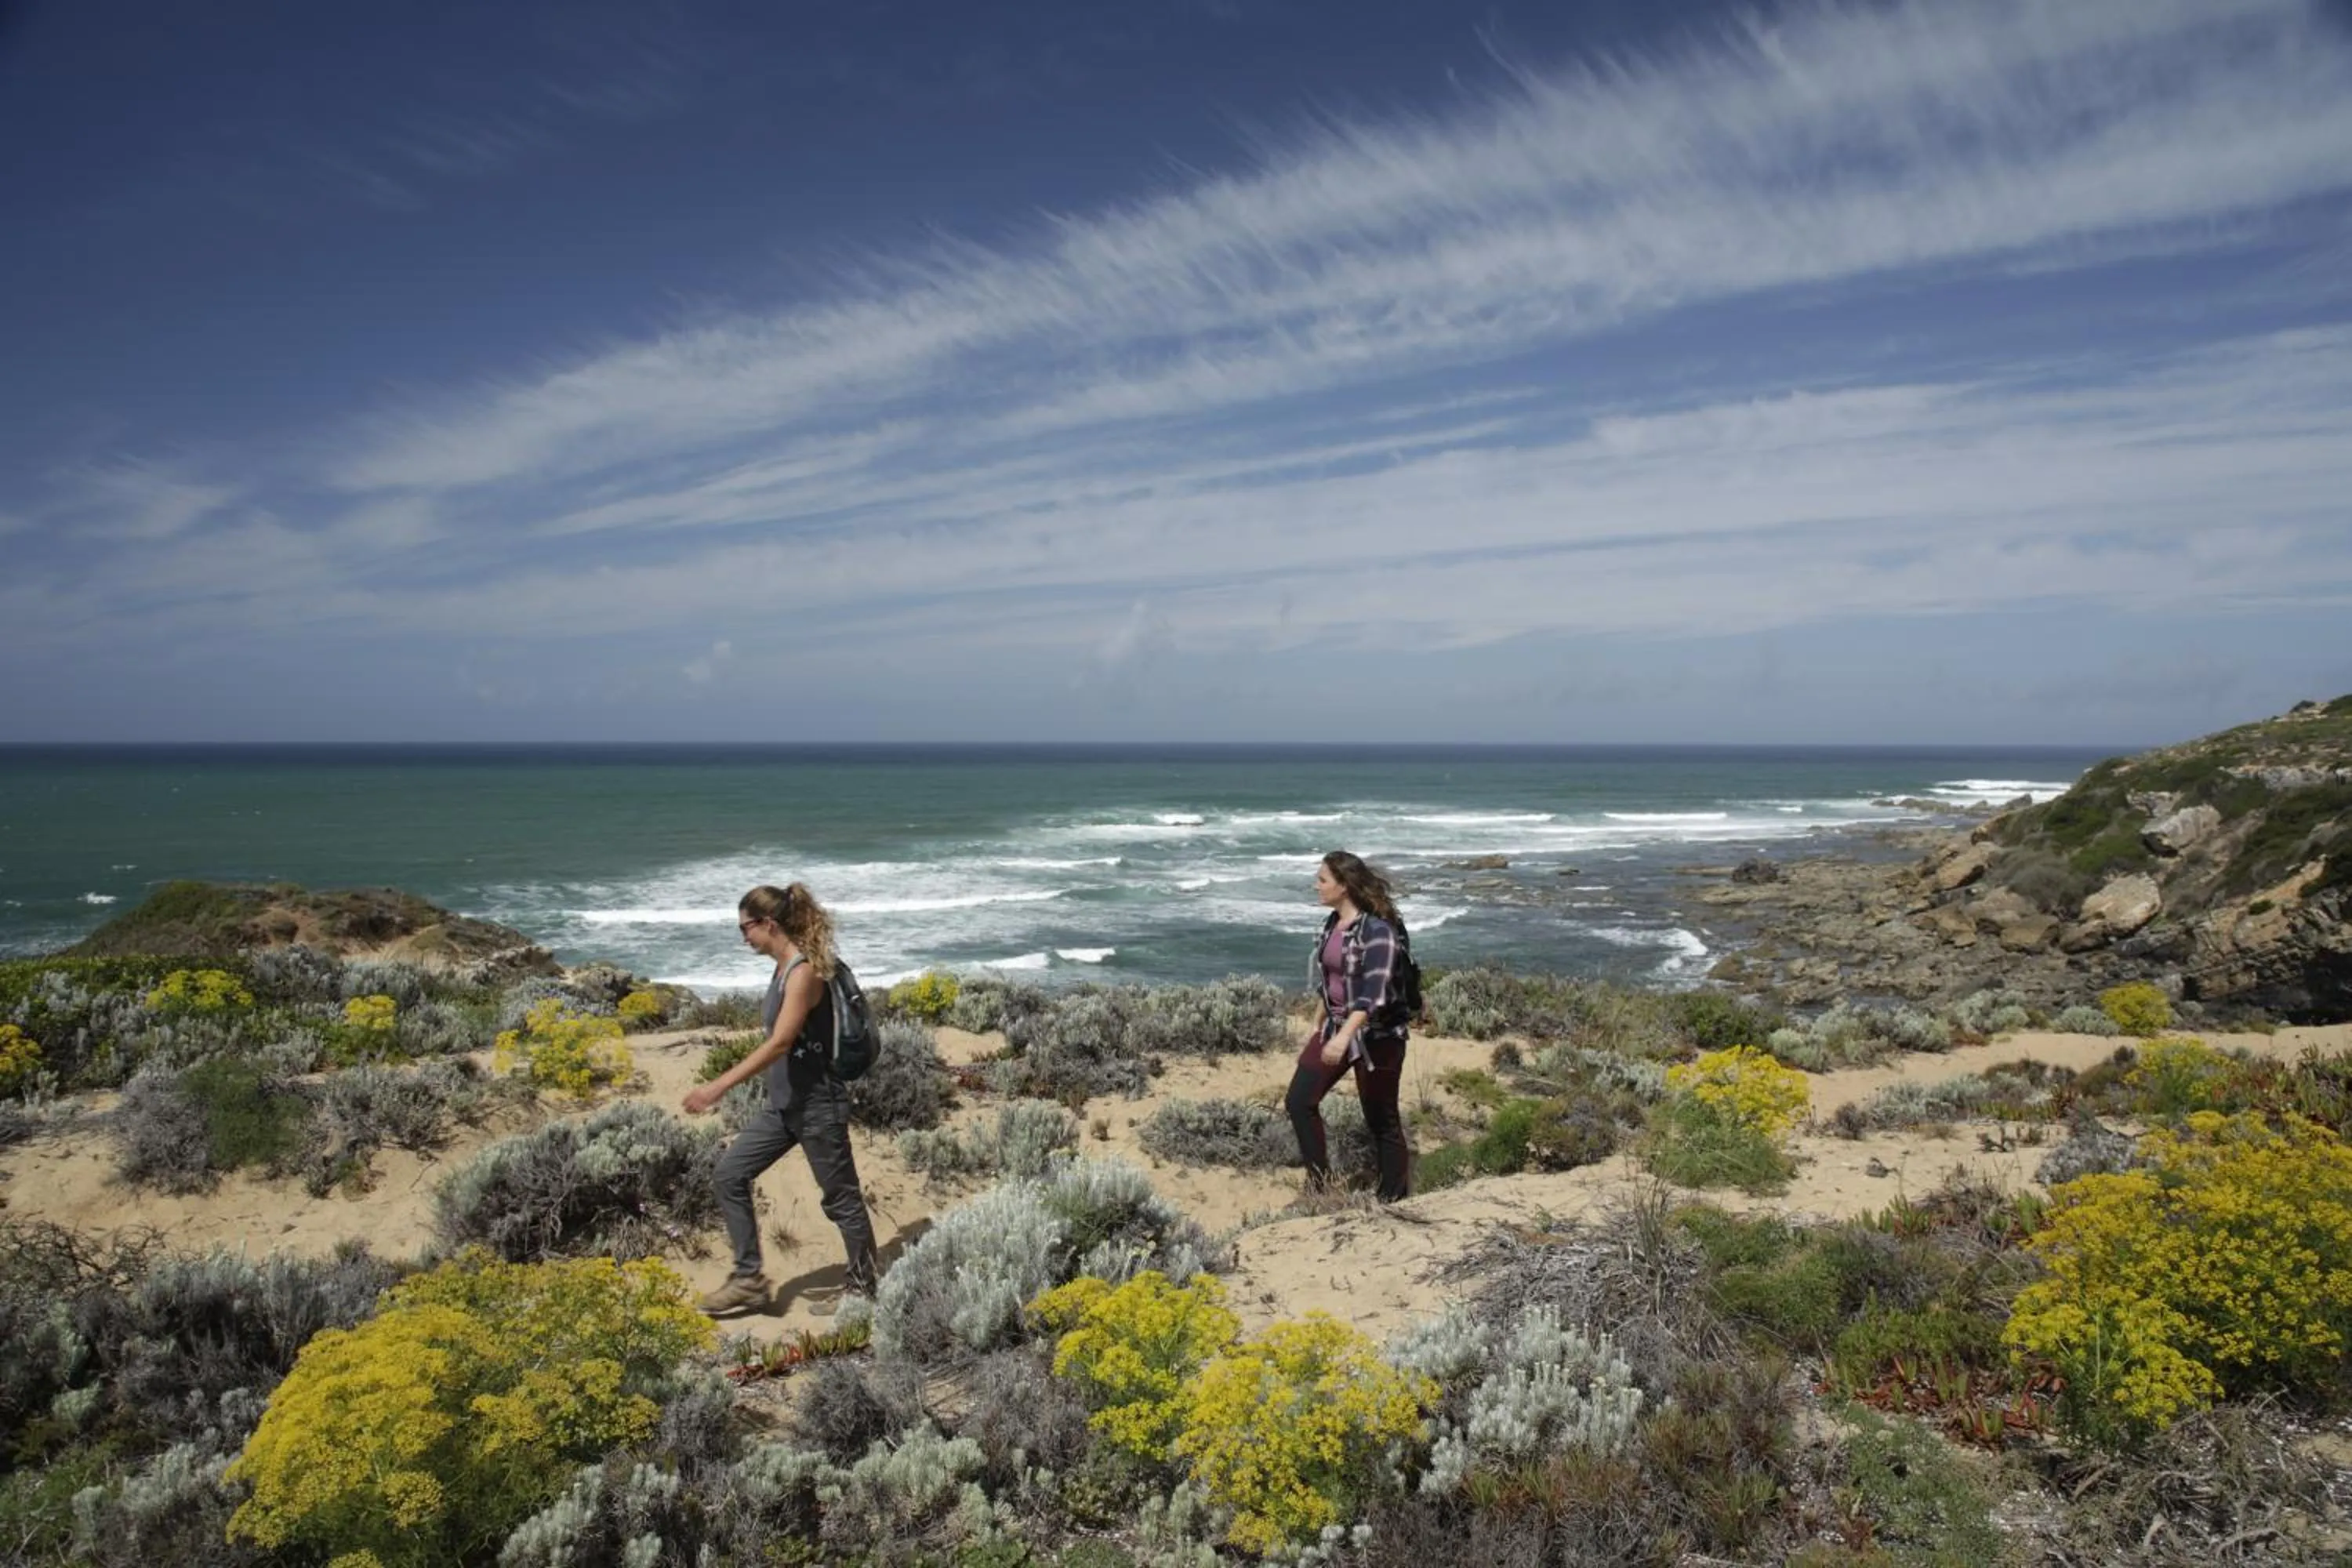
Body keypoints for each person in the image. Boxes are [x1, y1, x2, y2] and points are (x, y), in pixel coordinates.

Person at [681, 881, 879, 1316]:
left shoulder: (804, 972)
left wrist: (716, 1087)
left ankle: (864, 1289)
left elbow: (781, 1043)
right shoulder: (781, 969)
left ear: (768, 923)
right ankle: (749, 1279)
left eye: (746, 928)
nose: (743, 937)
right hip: (784, 1107)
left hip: (817, 1106)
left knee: (841, 1198)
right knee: (730, 1174)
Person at [1285, 850, 1412, 1202]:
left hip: (1378, 1037)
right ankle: (1319, 1184)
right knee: (1299, 1101)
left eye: (1323, 880)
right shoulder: (1331, 925)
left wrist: (1343, 1038)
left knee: (1381, 1118)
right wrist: (1318, 1021)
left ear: (1344, 886)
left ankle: (1393, 1196)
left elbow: (1374, 993)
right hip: (1336, 1027)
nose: (1316, 886)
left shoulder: (1379, 932)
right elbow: (1332, 981)